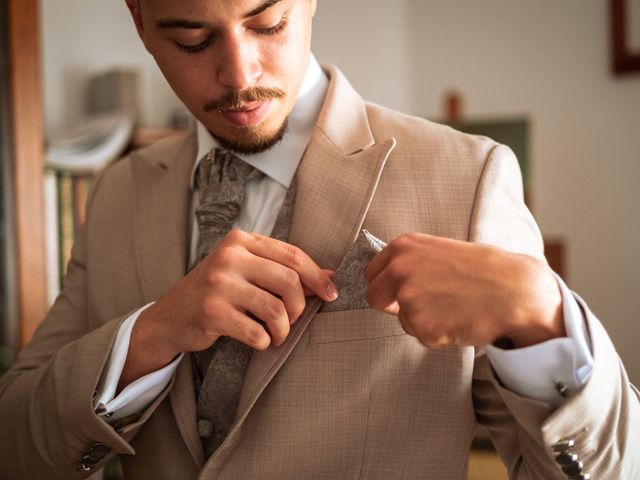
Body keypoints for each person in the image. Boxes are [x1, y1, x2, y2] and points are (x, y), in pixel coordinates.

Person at [0, 0, 638, 478]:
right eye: (192, 38)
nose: (239, 73)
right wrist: (150, 336)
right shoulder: (116, 195)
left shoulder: (466, 177)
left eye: (267, 23)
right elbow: (15, 440)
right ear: (140, 20)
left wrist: (542, 317)